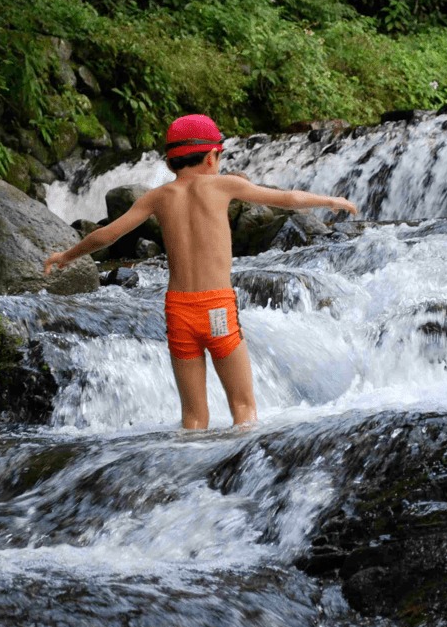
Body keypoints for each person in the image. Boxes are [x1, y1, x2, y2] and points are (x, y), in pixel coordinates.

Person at [43, 114, 358, 429]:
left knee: (193, 418)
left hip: (178, 311)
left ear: (170, 164)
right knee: (244, 408)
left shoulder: (157, 197)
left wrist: (67, 255)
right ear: (212, 156)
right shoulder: (224, 185)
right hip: (216, 309)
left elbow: (107, 235)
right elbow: (288, 200)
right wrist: (330, 199)